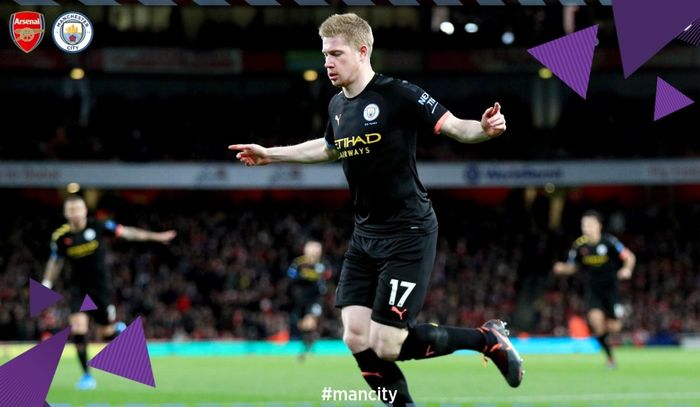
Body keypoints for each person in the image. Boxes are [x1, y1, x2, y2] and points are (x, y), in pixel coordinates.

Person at [229, 13, 522, 404]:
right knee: (354, 334)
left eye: (336, 54)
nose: (327, 63)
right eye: (324, 55)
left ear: (362, 51)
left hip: (409, 232)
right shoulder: (337, 105)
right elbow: (329, 147)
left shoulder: (399, 95)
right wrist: (271, 155)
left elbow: (455, 127)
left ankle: (487, 339)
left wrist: (484, 129)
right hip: (366, 236)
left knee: (386, 344)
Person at [42, 195, 176, 390]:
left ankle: (118, 330)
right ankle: (87, 377)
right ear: (66, 214)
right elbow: (55, 262)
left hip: (101, 287)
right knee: (79, 329)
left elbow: (128, 233)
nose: (75, 214)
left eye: (78, 209)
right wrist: (46, 283)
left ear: (85, 211)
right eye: (71, 210)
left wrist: (157, 237)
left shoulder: (99, 226)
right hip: (78, 288)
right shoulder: (61, 237)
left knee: (106, 332)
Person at [553, 210, 636, 368]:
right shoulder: (579, 245)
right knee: (595, 322)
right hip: (593, 290)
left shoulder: (609, 242)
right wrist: (563, 268)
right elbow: (573, 267)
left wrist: (627, 269)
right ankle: (610, 357)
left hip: (611, 289)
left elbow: (630, 257)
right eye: (584, 225)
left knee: (614, 327)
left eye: (590, 224)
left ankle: (611, 333)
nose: (586, 228)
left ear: (599, 226)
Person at [287, 240, 331, 361]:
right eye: (312, 250)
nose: (314, 253)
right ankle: (309, 342)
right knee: (301, 324)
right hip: (301, 299)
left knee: (310, 321)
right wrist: (303, 275)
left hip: (316, 298)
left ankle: (305, 349)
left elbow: (328, 274)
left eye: (317, 251)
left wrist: (317, 273)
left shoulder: (322, 264)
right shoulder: (299, 263)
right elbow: (291, 274)